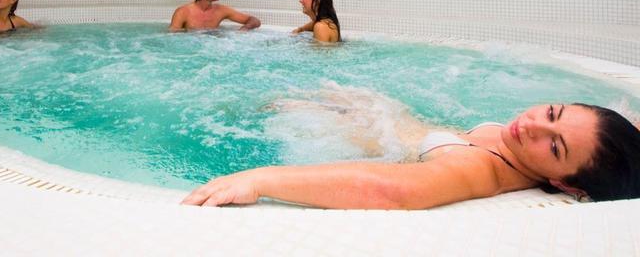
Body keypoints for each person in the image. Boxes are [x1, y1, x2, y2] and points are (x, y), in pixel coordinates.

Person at [182, 102, 640, 209]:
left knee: (275, 107)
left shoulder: (479, 169)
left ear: (563, 184)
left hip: (366, 137)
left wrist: (262, 180)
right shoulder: (526, 145)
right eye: (554, 111)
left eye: (554, 145)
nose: (534, 124)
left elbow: (392, 190)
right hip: (387, 116)